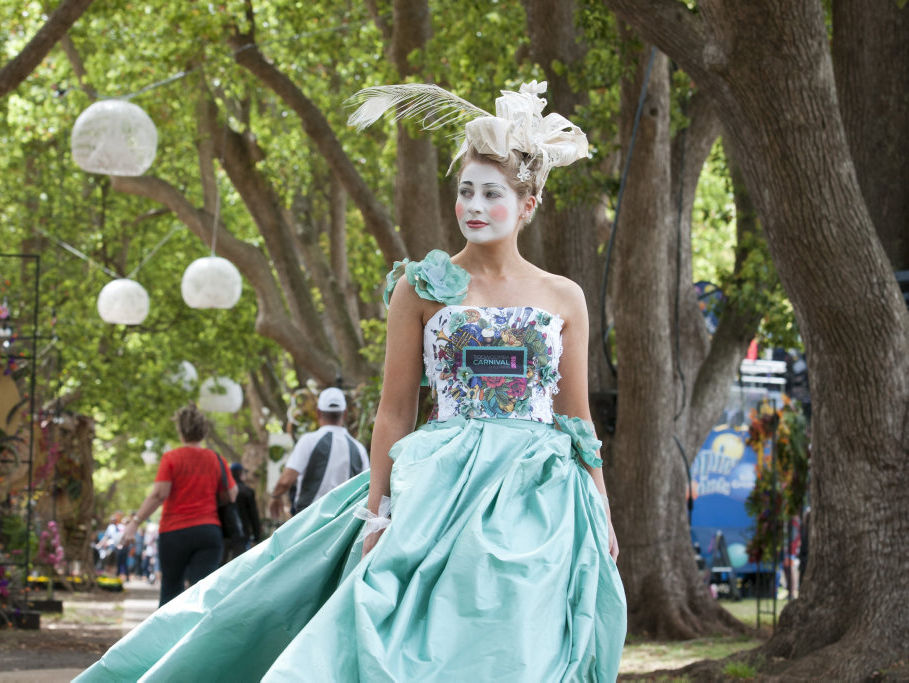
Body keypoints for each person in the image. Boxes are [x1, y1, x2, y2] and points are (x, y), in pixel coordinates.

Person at [78, 80, 626, 681]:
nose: (472, 205)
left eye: (490, 193)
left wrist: (599, 506)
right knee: (421, 639)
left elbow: (576, 417)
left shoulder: (564, 296)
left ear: (527, 204)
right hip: (441, 486)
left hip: (540, 497)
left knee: (525, 643)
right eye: (465, 190)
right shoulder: (421, 285)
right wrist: (378, 510)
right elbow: (394, 411)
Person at [119, 403, 238, 605]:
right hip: (208, 532)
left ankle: (167, 636)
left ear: (181, 431)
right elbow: (232, 494)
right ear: (204, 431)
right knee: (202, 594)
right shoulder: (216, 459)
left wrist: (135, 522)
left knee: (171, 590)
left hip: (175, 533)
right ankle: (199, 635)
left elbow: (159, 494)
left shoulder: (172, 458)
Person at [269, 387, 368, 519]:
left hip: (309, 520)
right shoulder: (358, 448)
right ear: (344, 414)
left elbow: (285, 481)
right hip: (344, 524)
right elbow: (367, 489)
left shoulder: (308, 441)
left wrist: (275, 496)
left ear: (318, 413)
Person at [223, 462, 262, 563]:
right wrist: (257, 535)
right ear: (241, 474)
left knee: (219, 566)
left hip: (223, 534)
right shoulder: (247, 491)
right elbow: (253, 515)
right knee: (239, 565)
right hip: (242, 534)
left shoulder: (222, 491)